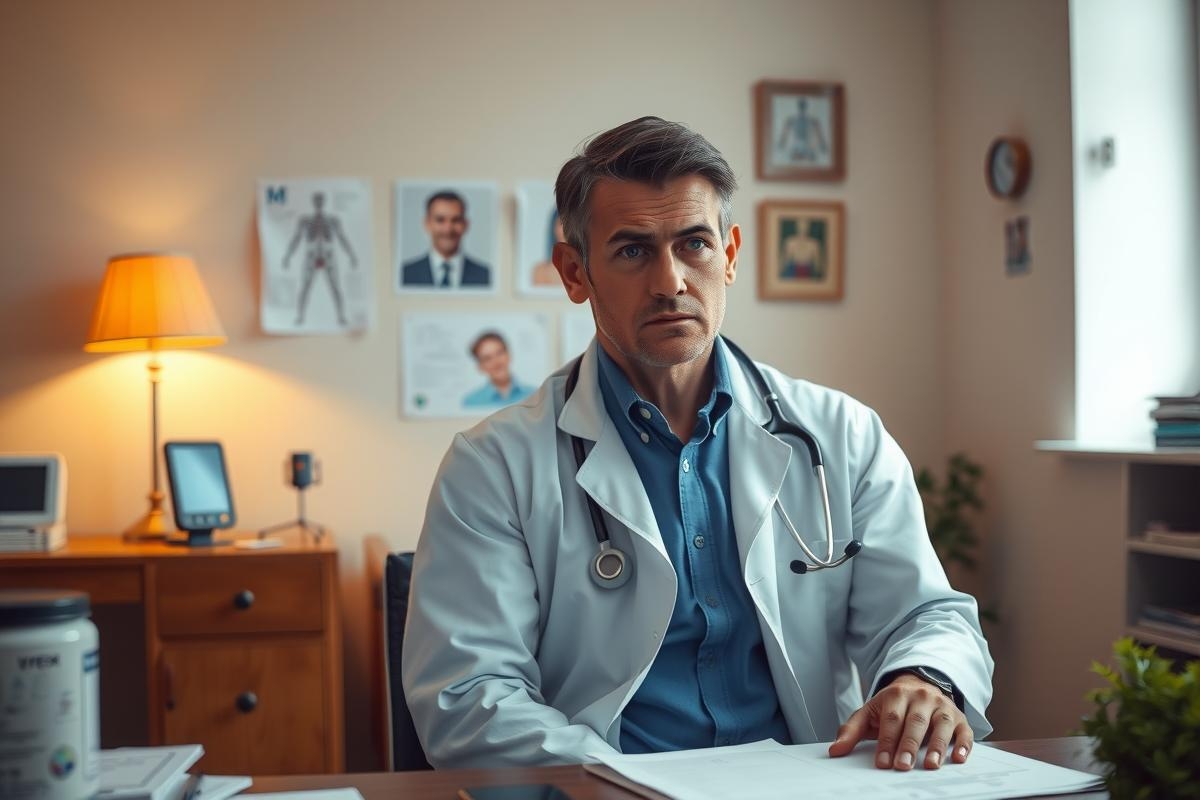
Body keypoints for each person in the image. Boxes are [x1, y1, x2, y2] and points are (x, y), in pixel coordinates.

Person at [403, 117, 993, 771]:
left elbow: (927, 614)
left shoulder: (843, 436)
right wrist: (623, 785)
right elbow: (469, 697)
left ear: (731, 255)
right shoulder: (494, 467)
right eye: (632, 250)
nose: (670, 281)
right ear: (575, 272)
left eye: (694, 245)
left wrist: (921, 679)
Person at [282, 191, 357, 325]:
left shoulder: (333, 220)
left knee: (335, 286)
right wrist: (288, 255)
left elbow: (342, 238)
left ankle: (341, 316)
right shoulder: (305, 220)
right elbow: (296, 238)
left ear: (324, 202)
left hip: (328, 255)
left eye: (321, 200)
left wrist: (351, 254)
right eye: (317, 200)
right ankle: (300, 316)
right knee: (305, 286)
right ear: (313, 202)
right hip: (311, 255)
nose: (319, 203)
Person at [401, 190, 492, 288]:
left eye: (456, 220)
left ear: (466, 225)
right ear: (427, 224)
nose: (448, 229)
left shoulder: (486, 276)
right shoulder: (405, 274)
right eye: (440, 220)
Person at [462, 331, 533, 408]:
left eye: (499, 353)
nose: (496, 362)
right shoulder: (471, 403)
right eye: (487, 358)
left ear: (509, 355)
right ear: (480, 367)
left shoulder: (535, 396)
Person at [530, 211, 566, 287]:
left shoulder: (587, 271)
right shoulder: (541, 272)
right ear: (553, 228)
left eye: (571, 224)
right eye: (562, 223)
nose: (567, 229)